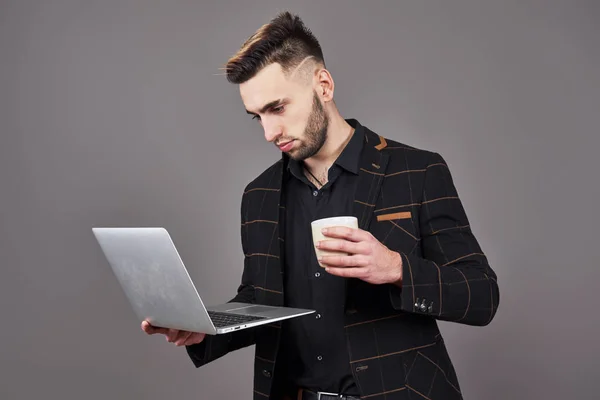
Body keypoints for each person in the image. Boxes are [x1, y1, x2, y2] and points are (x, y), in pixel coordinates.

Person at [142, 11, 499, 400]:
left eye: (277, 108)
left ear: (323, 86)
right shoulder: (258, 195)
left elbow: (481, 295)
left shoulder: (418, 170)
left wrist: (395, 268)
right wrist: (207, 329)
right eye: (256, 116)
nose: (268, 132)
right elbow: (261, 300)